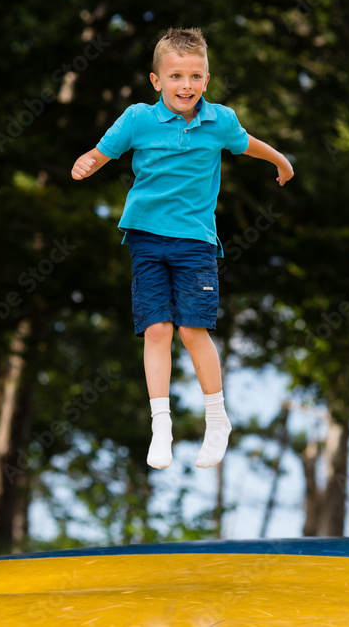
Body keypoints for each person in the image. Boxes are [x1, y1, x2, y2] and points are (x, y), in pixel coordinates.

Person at [71, 27, 294, 470]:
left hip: (195, 241)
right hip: (146, 238)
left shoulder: (220, 122)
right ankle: (161, 424)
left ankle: (217, 419)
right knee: (157, 329)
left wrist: (281, 161)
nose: (185, 85)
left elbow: (248, 145)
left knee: (192, 330)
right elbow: (103, 151)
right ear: (157, 81)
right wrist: (88, 163)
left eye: (195, 76)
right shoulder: (138, 119)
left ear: (207, 79)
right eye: (175, 77)